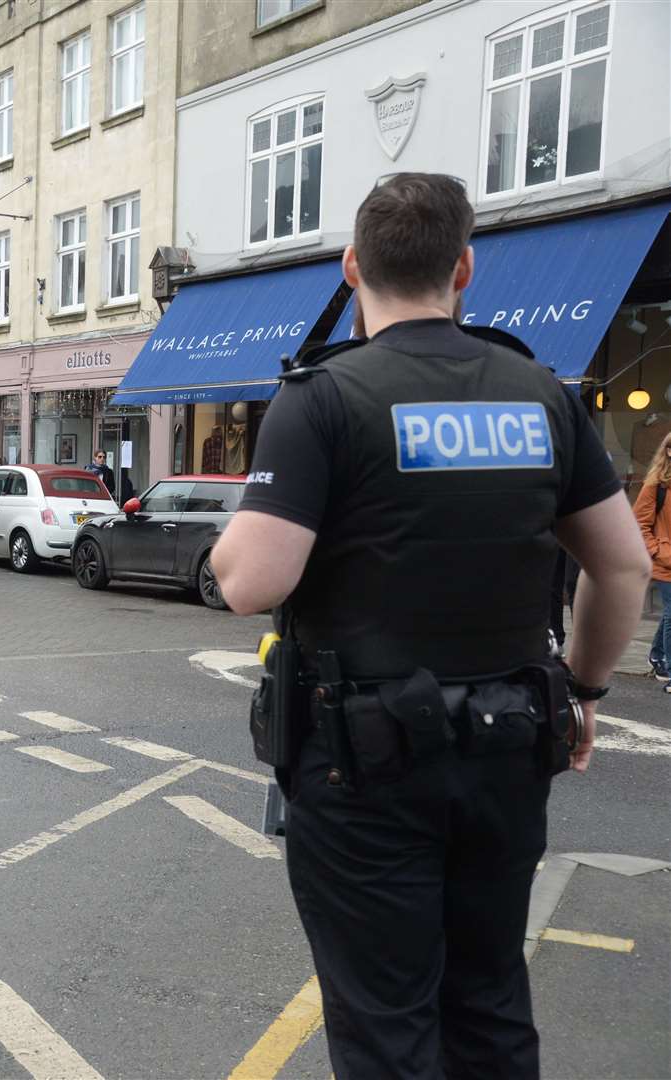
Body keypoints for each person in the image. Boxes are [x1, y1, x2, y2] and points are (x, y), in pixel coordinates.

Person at [211, 173, 649, 1079]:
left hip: (363, 766)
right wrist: (587, 691)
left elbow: (254, 582)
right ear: (464, 269)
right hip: (506, 749)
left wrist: (230, 544)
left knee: (386, 1022)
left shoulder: (323, 399)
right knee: (489, 999)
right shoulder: (541, 392)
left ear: (350, 268)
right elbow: (622, 565)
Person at [634, 432, 671, 684]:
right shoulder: (656, 485)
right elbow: (638, 524)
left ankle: (657, 655)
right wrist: (659, 551)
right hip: (666, 562)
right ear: (668, 451)